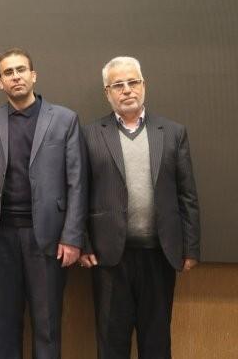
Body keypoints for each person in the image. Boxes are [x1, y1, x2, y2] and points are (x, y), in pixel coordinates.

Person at [79, 56, 201, 359]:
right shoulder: (89, 134)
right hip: (109, 257)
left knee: (156, 341)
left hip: (160, 254)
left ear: (143, 85)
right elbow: (79, 193)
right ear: (107, 92)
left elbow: (187, 194)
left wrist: (191, 247)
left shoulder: (172, 132)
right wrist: (83, 243)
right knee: (112, 343)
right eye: (118, 85)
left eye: (133, 82)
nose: (127, 90)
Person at [0, 47, 87, 359]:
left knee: (47, 324)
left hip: (48, 238)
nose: (16, 76)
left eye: (21, 70)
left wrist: (72, 237)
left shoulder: (64, 119)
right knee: (4, 322)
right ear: (0, 82)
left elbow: (77, 182)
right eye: (8, 72)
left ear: (33, 75)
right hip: (1, 238)